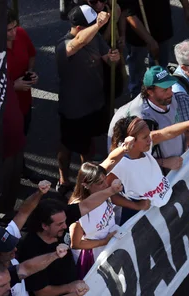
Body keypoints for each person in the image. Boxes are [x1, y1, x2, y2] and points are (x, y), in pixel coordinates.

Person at [16, 182, 122, 296]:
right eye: (60, 224)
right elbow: (41, 292)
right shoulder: (31, 250)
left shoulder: (61, 218)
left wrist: (111, 190)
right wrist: (69, 288)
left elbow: (87, 205)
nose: (66, 226)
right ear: (44, 226)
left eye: (65, 221)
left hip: (72, 288)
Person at [55, 5, 120, 195]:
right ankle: (63, 179)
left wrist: (111, 57)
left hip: (95, 104)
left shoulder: (94, 37)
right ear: (78, 27)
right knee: (67, 146)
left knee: (89, 145)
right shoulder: (63, 46)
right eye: (91, 26)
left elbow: (105, 55)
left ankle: (86, 178)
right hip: (74, 109)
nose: (95, 29)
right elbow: (78, 44)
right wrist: (99, 25)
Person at [108, 66, 189, 173]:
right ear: (150, 92)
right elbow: (130, 159)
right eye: (165, 90)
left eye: (170, 87)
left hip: (175, 169)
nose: (170, 92)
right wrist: (163, 162)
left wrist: (188, 136)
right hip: (152, 175)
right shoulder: (139, 119)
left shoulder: (168, 99)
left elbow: (176, 122)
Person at [0, 182, 51, 296]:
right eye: (7, 249)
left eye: (12, 245)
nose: (14, 249)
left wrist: (39, 193)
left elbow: (23, 213)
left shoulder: (4, 241)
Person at [121, 0, 189, 96]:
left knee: (160, 66)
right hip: (137, 34)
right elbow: (129, 14)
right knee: (137, 66)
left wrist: (187, 8)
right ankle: (137, 95)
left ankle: (160, 93)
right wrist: (150, 41)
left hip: (162, 27)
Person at [68, 162, 118, 277]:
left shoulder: (103, 193)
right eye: (100, 183)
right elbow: (75, 244)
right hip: (92, 258)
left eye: (105, 180)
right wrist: (104, 242)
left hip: (109, 246)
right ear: (85, 184)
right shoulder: (77, 209)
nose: (106, 185)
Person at [6, 8, 38, 136]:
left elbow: (31, 55)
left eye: (15, 26)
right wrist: (13, 86)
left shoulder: (21, 33)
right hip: (5, 111)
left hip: (24, 104)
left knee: (23, 135)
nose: (14, 32)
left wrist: (30, 72)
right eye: (8, 30)